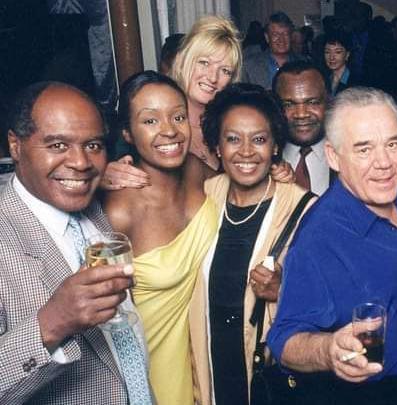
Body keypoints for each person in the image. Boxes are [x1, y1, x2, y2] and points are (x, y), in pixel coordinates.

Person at [267, 87, 397, 405]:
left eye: (393, 144)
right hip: (372, 396)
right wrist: (328, 351)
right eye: (364, 149)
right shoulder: (320, 237)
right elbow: (284, 338)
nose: (384, 162)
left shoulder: (396, 196)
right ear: (333, 156)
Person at [0, 82, 151, 403]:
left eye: (93, 145)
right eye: (57, 145)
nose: (81, 162)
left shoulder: (94, 204)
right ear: (15, 145)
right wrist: (53, 323)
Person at [188, 84, 316, 404]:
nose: (246, 151)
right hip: (211, 374)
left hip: (265, 380)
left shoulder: (305, 209)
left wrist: (282, 291)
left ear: (275, 147)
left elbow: (331, 304)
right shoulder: (200, 198)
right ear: (217, 146)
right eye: (233, 139)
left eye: (259, 139)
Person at [103, 71, 219, 405]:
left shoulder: (197, 170)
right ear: (127, 131)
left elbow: (242, 192)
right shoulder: (118, 213)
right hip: (151, 368)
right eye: (150, 120)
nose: (169, 130)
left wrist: (276, 171)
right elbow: (107, 325)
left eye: (178, 116)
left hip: (204, 350)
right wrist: (97, 176)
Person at [104, 16, 242, 188]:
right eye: (204, 63)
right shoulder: (143, 115)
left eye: (225, 71)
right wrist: (103, 175)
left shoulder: (231, 124)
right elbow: (104, 164)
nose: (213, 77)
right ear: (182, 60)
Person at [273, 61, 333, 195]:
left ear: (329, 102)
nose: (301, 114)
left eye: (312, 102)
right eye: (288, 104)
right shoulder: (263, 161)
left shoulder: (348, 157)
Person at [243, 12, 300, 90]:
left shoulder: (303, 63)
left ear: (291, 37)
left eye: (285, 34)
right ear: (267, 37)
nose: (281, 40)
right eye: (275, 35)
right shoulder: (249, 66)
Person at [323, 31, 354, 96]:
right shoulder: (324, 80)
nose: (331, 57)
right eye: (327, 52)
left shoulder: (356, 81)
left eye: (338, 52)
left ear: (347, 55)